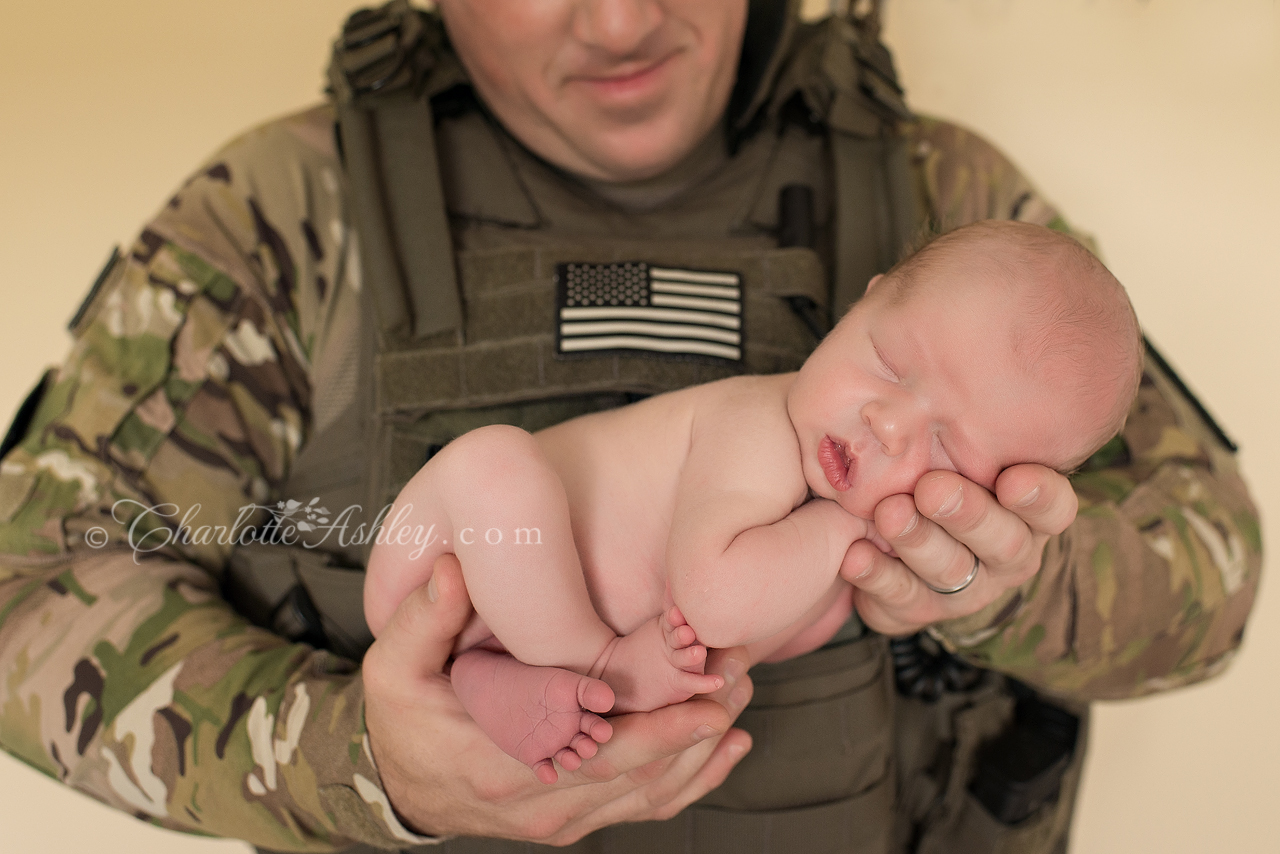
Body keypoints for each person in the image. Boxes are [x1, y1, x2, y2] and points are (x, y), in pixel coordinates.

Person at [0, 1, 1259, 852]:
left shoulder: (950, 212)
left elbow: (1211, 581)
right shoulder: (288, 211)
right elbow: (30, 588)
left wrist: (988, 582)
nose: (615, 20)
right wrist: (356, 754)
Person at [364, 220, 1143, 785]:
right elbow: (715, 605)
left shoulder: (845, 554)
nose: (888, 423)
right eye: (889, 363)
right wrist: (844, 523)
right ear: (860, 307)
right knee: (495, 462)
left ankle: (488, 677)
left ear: (987, 497)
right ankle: (583, 661)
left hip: (492, 635)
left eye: (947, 451)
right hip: (449, 544)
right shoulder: (760, 429)